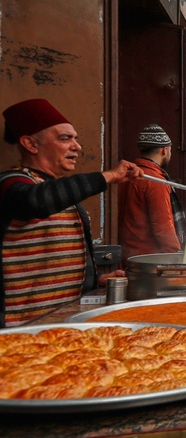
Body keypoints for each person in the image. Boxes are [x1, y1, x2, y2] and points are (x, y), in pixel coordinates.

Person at [0, 98, 142, 327]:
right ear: (30, 144)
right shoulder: (11, 183)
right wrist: (109, 176)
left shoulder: (63, 193)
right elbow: (35, 202)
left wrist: (94, 281)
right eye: (65, 138)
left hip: (62, 323)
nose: (77, 146)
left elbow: (52, 259)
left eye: (76, 139)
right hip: (21, 326)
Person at [118, 124, 185, 263]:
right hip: (149, 260)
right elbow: (163, 228)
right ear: (164, 150)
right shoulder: (155, 180)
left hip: (126, 256)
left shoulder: (125, 175)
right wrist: (176, 259)